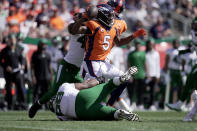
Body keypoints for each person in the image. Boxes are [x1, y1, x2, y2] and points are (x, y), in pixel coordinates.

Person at [71, 4, 146, 111]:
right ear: (103, 16)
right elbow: (75, 30)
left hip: (104, 62)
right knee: (97, 85)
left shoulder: (113, 27)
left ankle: (109, 104)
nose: (112, 17)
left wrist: (133, 36)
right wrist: (81, 19)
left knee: (125, 78)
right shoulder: (93, 24)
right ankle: (71, 95)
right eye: (110, 15)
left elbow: (119, 43)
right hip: (92, 61)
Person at [29, 13, 85, 118]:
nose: (81, 18)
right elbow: (77, 29)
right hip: (67, 66)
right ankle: (37, 105)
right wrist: (82, 20)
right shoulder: (72, 26)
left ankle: (77, 110)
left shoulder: (89, 28)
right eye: (79, 16)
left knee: (84, 90)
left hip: (77, 69)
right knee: (55, 90)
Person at [48, 66, 139, 121]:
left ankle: (118, 113)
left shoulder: (59, 115)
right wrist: (99, 80)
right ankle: (120, 79)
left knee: (110, 114)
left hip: (81, 112)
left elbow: (72, 119)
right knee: (109, 85)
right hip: (82, 97)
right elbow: (85, 85)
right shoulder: (63, 87)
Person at [166, 17, 197, 121]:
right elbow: (193, 48)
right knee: (190, 81)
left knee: (190, 80)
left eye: (195, 24)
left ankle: (182, 104)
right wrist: (182, 52)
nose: (194, 26)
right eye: (193, 24)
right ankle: (187, 110)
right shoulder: (193, 32)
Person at [0, 33, 26, 110]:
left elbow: (22, 59)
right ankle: (9, 105)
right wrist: (6, 66)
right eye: (11, 39)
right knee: (9, 88)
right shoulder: (4, 50)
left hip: (17, 71)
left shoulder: (19, 48)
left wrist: (23, 65)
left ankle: (23, 104)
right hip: (9, 72)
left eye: (13, 39)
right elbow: (1, 61)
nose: (12, 41)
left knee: (21, 87)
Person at [31, 39, 52, 104]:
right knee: (36, 91)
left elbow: (49, 66)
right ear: (39, 45)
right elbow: (32, 67)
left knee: (46, 91)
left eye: (45, 44)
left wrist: (51, 75)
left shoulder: (48, 54)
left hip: (46, 76)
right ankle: (35, 104)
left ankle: (46, 105)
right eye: (42, 44)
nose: (44, 46)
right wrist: (33, 76)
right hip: (38, 76)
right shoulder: (35, 54)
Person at [127, 41, 147, 110]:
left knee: (141, 90)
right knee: (132, 90)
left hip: (141, 75)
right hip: (133, 76)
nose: (137, 45)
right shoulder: (131, 54)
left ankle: (140, 104)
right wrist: (130, 75)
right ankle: (132, 103)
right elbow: (128, 65)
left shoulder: (143, 54)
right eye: (136, 44)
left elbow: (145, 64)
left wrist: (147, 73)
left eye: (138, 44)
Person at [145, 40, 160, 110]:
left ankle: (152, 104)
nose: (150, 45)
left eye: (151, 44)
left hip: (154, 75)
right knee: (145, 90)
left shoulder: (156, 53)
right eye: (149, 44)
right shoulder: (145, 53)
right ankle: (143, 104)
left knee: (153, 91)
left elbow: (157, 65)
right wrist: (147, 74)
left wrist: (158, 75)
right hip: (147, 75)